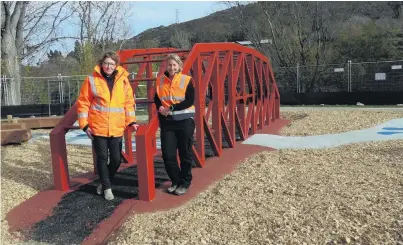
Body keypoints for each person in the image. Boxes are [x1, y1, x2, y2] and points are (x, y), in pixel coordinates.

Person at [77, 51, 139, 201]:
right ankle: (107, 188)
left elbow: (129, 103)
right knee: (102, 158)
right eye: (106, 63)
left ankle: (105, 182)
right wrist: (84, 125)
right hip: (98, 126)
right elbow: (83, 102)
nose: (109, 66)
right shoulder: (91, 79)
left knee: (117, 159)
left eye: (112, 64)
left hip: (117, 127)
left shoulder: (123, 80)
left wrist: (131, 121)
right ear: (101, 64)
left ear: (116, 65)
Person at [154, 53, 195, 196]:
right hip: (167, 123)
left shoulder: (186, 80)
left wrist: (171, 108)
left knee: (185, 153)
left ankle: (185, 182)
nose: (171, 67)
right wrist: (159, 106)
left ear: (179, 66)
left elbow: (190, 101)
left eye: (174, 65)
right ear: (166, 66)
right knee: (168, 154)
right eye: (169, 65)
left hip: (185, 122)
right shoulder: (159, 81)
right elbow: (157, 98)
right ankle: (175, 180)